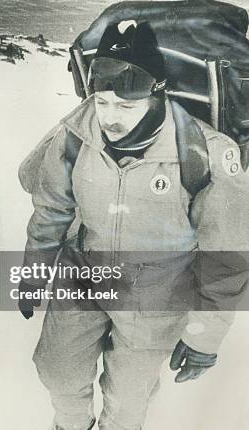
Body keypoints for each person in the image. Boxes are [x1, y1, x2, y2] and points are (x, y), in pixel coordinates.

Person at [19, 22, 249, 430]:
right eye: (103, 103)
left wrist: (204, 336)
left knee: (128, 399)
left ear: (155, 94)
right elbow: (51, 209)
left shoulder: (205, 153)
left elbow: (227, 254)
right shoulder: (75, 135)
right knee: (56, 369)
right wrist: (34, 273)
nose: (110, 118)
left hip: (159, 291)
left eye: (126, 107)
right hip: (86, 272)